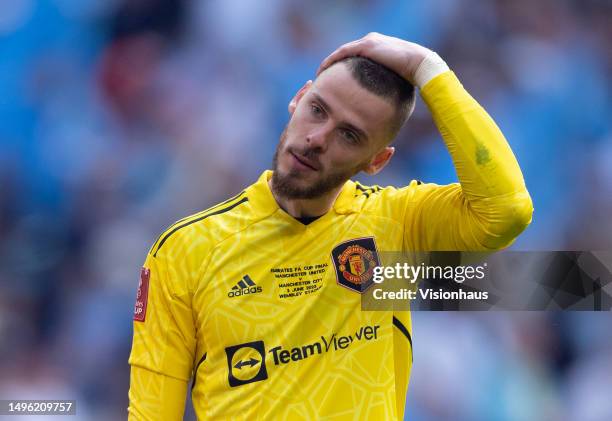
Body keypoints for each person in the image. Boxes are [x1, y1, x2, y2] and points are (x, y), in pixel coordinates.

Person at [128, 33, 533, 420]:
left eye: (349, 135)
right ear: (299, 98)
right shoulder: (186, 250)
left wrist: (429, 70)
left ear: (377, 161)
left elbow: (506, 210)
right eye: (317, 110)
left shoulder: (397, 225)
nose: (317, 138)